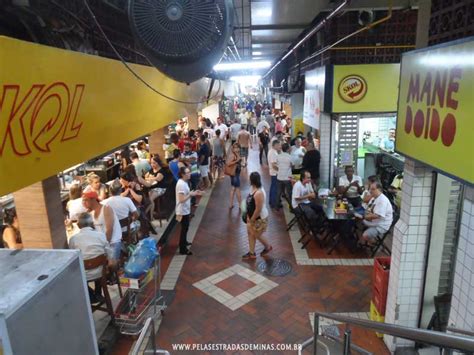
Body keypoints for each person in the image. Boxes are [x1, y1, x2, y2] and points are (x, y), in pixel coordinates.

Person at [68, 212, 110, 304]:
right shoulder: (101, 235)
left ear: (78, 225)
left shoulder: (73, 239)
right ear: (92, 223)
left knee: (72, 274)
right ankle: (97, 293)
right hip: (101, 272)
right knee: (100, 262)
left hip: (83, 274)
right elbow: (108, 252)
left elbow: (72, 256)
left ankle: (91, 296)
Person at [82, 191, 122, 261]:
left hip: (112, 242)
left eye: (86, 200)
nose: (83, 203)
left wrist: (104, 246)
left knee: (111, 264)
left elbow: (109, 230)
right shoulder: (90, 213)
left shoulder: (106, 208)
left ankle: (116, 270)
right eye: (83, 200)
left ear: (93, 199)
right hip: (101, 244)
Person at [242, 172, 272, 259]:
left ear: (252, 180)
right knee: (250, 233)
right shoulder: (252, 188)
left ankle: (268, 247)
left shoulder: (259, 193)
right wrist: (248, 216)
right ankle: (251, 253)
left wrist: (251, 220)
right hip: (252, 217)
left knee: (256, 235)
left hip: (259, 218)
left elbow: (258, 210)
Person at [175, 167, 203, 255]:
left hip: (185, 209)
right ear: (183, 174)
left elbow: (186, 195)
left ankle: (184, 242)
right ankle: (183, 249)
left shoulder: (184, 182)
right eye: (187, 173)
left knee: (186, 228)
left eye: (189, 172)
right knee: (184, 229)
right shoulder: (181, 184)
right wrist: (191, 194)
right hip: (182, 210)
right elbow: (181, 199)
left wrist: (194, 193)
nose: (189, 174)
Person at [275, 143, 293, 209]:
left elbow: (277, 164)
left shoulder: (278, 156)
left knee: (278, 192)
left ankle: (276, 206)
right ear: (288, 149)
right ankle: (291, 207)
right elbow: (292, 165)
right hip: (287, 178)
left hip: (279, 176)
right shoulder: (290, 157)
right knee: (289, 193)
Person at [226, 143, 242, 210]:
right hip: (235, 174)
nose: (237, 149)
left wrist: (242, 164)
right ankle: (240, 205)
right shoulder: (232, 155)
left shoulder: (237, 154)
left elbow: (237, 164)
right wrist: (237, 161)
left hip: (236, 173)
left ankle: (231, 204)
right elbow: (228, 163)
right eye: (235, 148)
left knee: (233, 189)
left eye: (238, 147)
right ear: (233, 148)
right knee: (237, 189)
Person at [268, 140, 281, 209]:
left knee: (273, 187)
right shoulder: (273, 153)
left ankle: (271, 201)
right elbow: (273, 165)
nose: (280, 146)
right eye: (279, 145)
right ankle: (273, 203)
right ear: (275, 145)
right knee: (275, 188)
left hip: (273, 173)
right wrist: (281, 170)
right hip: (275, 173)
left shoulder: (272, 151)